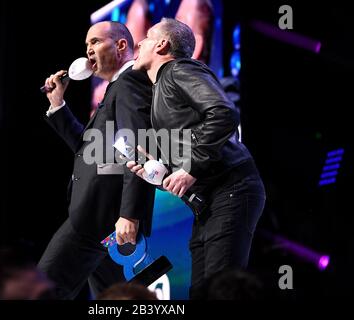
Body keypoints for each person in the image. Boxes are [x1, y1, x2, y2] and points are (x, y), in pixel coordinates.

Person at [128, 18, 266, 299]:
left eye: (146, 38)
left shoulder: (179, 70)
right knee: (202, 293)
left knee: (220, 291)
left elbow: (224, 113)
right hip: (209, 203)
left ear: (162, 44)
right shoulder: (163, 86)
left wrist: (190, 166)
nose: (138, 43)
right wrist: (158, 174)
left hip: (232, 189)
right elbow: (189, 149)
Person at [38, 21, 155, 299]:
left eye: (95, 42)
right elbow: (90, 149)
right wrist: (58, 104)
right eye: (86, 45)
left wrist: (129, 214)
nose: (88, 50)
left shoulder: (128, 83)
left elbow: (136, 149)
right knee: (115, 298)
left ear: (121, 46)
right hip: (107, 223)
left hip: (98, 217)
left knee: (41, 289)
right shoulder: (117, 88)